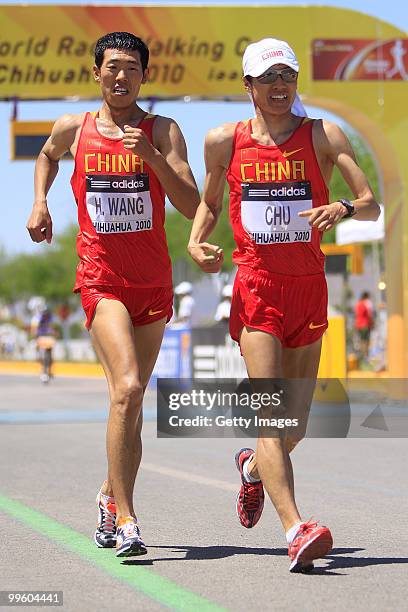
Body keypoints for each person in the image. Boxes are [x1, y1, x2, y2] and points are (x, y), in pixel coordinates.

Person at [188, 37, 380, 572]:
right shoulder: (224, 141)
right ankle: (297, 527)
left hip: (308, 287)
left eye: (287, 77)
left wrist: (341, 206)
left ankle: (251, 469)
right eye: (268, 77)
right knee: (271, 413)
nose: (279, 86)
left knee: (294, 426)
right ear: (248, 85)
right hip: (256, 285)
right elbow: (208, 202)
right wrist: (194, 240)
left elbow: (370, 203)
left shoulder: (322, 135)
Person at [27, 32, 200, 557]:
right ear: (96, 73)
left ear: (144, 76)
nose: (120, 76)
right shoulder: (73, 128)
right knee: (125, 386)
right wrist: (40, 202)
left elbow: (192, 205)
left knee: (131, 398)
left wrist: (151, 155)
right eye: (112, 67)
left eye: (131, 68)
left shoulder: (163, 130)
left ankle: (107, 493)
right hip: (101, 278)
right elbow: (46, 155)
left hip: (151, 280)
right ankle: (127, 519)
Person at [35, 307, 57, 383]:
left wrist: (54, 332)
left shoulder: (50, 318)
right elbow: (36, 328)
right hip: (42, 337)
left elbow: (52, 327)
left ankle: (49, 371)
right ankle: (44, 372)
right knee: (42, 356)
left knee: (50, 357)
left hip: (48, 338)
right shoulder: (40, 318)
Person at [354, 291, 375, 361]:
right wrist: (372, 323)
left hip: (358, 325)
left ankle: (363, 357)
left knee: (361, 341)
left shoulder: (358, 304)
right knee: (365, 341)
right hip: (365, 325)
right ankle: (365, 357)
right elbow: (369, 315)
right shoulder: (366, 304)